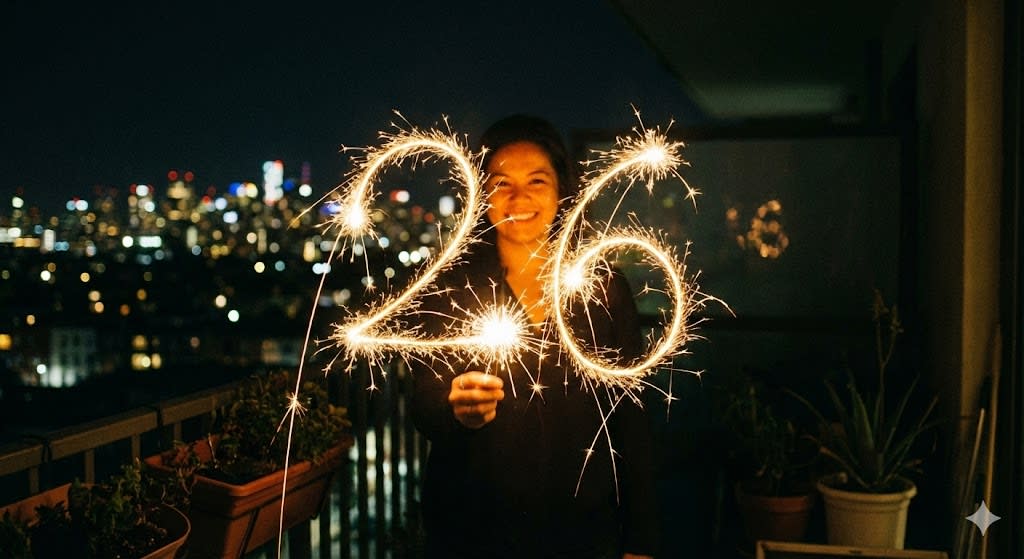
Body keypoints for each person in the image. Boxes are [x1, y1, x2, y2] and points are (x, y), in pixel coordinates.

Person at [411, 115, 658, 559]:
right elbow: (423, 402)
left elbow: (631, 420)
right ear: (481, 196)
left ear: (561, 192)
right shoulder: (451, 288)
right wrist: (456, 408)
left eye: (537, 181)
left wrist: (640, 539)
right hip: (474, 532)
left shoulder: (603, 289)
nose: (518, 198)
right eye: (501, 182)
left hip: (583, 531)